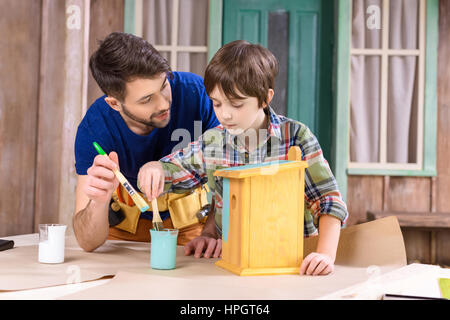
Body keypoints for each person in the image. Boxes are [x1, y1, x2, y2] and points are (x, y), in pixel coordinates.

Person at [137, 40, 349, 276]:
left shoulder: (296, 138)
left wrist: (325, 255)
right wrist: (154, 168)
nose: (225, 114)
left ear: (265, 98)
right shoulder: (214, 142)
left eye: (236, 104)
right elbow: (174, 170)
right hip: (233, 266)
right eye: (216, 103)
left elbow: (328, 201)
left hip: (290, 265)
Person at [73, 32, 219, 252]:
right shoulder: (96, 127)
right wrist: (99, 201)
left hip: (191, 230)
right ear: (115, 104)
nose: (163, 104)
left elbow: (229, 173)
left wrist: (212, 232)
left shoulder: (197, 94)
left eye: (163, 86)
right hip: (121, 237)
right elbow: (87, 242)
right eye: (147, 99)